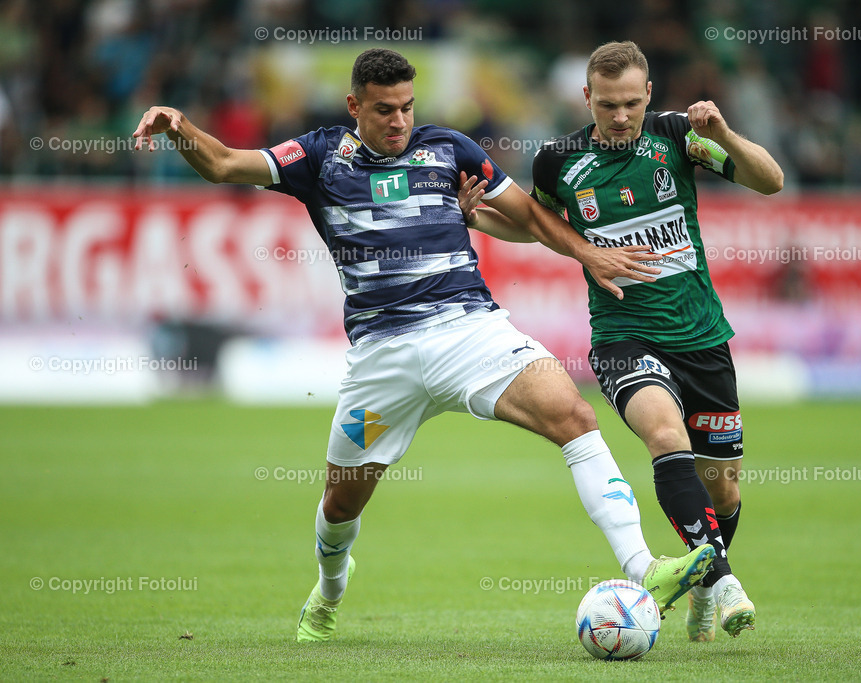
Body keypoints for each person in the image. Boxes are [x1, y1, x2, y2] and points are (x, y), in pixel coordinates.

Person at [131, 47, 715, 643]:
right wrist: (180, 127)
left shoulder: (451, 150)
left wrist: (587, 253)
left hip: (470, 330)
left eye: (408, 108)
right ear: (354, 105)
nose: (399, 122)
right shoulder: (318, 156)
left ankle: (645, 567)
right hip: (382, 355)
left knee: (574, 415)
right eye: (384, 110)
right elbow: (226, 164)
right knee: (340, 506)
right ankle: (330, 589)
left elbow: (533, 218)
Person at [463, 41, 783, 640]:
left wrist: (727, 134)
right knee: (666, 435)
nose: (619, 116)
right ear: (587, 97)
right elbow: (539, 229)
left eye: (631, 103)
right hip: (622, 335)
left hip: (703, 337)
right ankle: (724, 581)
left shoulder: (679, 136)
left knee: (725, 485)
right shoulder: (558, 161)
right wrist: (476, 216)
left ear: (649, 96)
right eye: (607, 104)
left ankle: (701, 580)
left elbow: (771, 181)